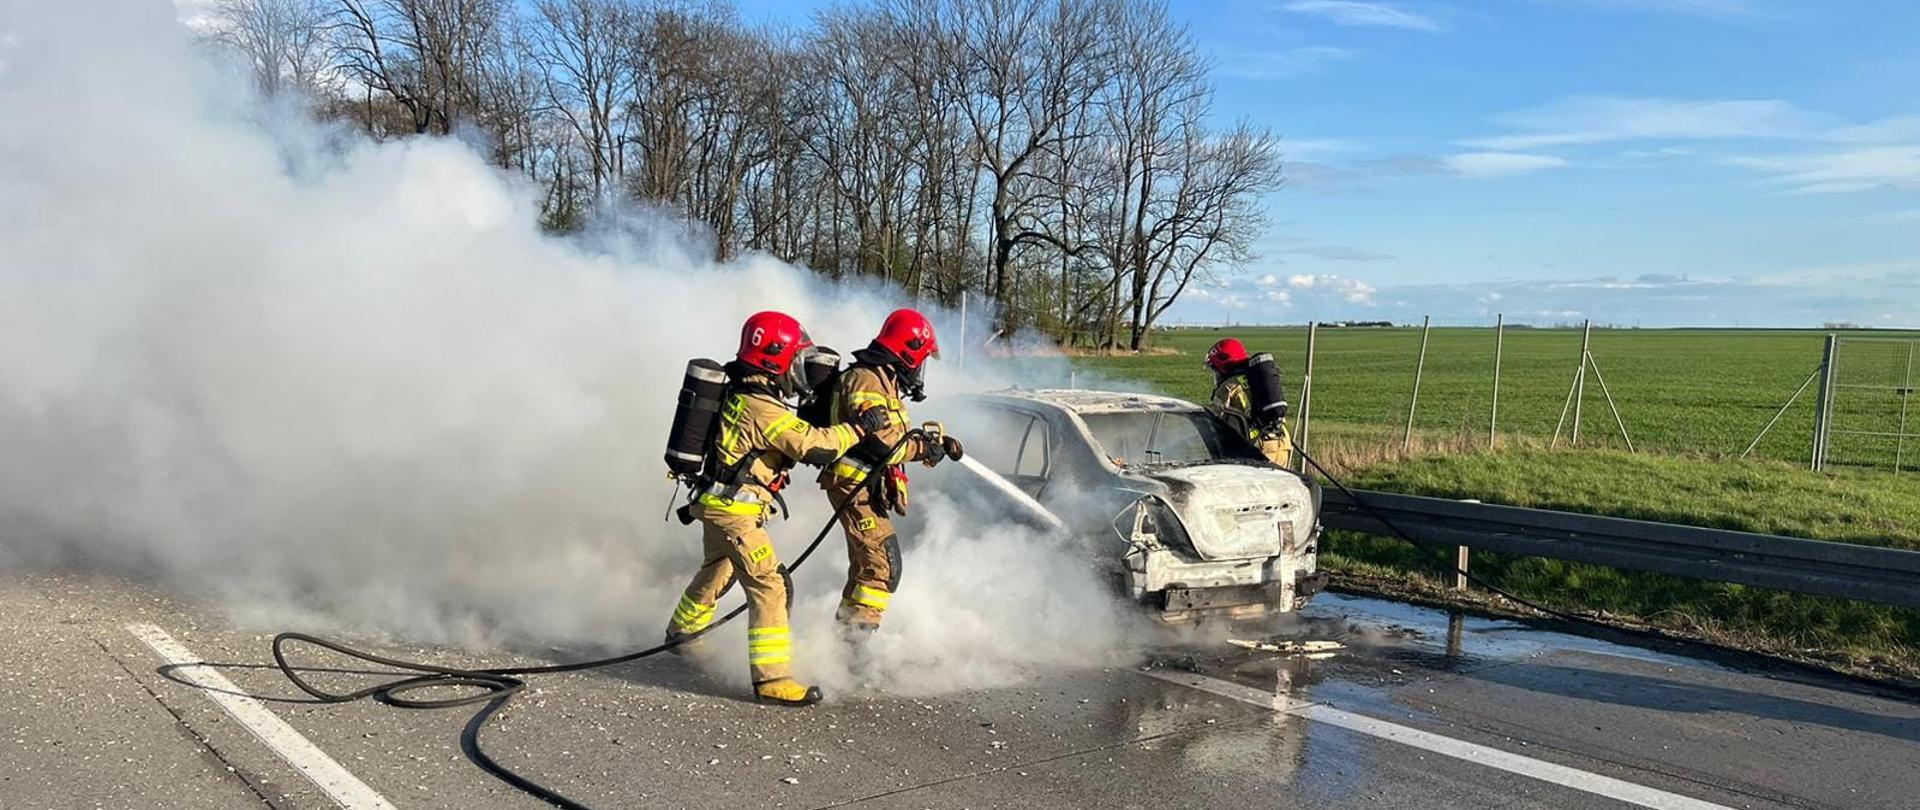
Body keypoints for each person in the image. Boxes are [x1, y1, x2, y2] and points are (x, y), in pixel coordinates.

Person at [664, 310, 865, 707]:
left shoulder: (741, 392)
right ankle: (772, 679)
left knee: (719, 568)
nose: (797, 370)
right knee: (770, 586)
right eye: (795, 359)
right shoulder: (762, 408)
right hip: (735, 512)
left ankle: (683, 629)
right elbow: (816, 446)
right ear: (775, 358)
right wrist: (859, 428)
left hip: (718, 503)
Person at [817, 308, 964, 636]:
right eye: (921, 358)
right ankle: (855, 656)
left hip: (866, 486)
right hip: (853, 484)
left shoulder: (883, 381)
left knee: (866, 568)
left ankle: (842, 647)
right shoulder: (867, 380)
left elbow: (894, 437)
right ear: (908, 352)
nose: (920, 368)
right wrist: (924, 449)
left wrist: (936, 442)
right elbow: (883, 443)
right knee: (882, 565)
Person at [1205, 337, 1294, 468]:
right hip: (1282, 443)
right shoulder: (1256, 377)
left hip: (1258, 449)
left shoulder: (1228, 387)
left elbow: (1215, 422)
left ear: (1224, 366)